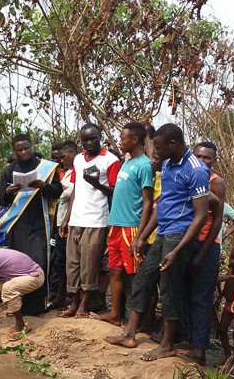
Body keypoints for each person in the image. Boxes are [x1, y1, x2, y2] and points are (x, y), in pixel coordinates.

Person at [105, 123, 210, 362]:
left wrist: (178, 250)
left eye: (159, 147)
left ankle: (167, 345)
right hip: (162, 232)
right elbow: (161, 204)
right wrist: (143, 236)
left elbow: (201, 215)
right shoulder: (168, 165)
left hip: (179, 235)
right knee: (143, 279)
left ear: (173, 144)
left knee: (170, 288)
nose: (156, 151)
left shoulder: (196, 170)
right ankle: (129, 334)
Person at [59, 124, 121, 318]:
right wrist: (66, 218)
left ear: (100, 137)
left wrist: (97, 184)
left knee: (89, 265)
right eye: (85, 140)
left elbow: (115, 190)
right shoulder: (78, 159)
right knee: (72, 264)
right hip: (76, 218)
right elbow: (75, 189)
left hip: (96, 219)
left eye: (93, 138)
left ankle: (84, 304)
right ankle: (73, 302)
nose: (89, 143)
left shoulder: (111, 160)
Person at [0, 134, 63, 315]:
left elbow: (57, 191)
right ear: (14, 151)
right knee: (17, 266)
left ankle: (37, 306)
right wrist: (9, 192)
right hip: (17, 225)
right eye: (19, 149)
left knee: (38, 263)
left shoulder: (45, 167)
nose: (24, 152)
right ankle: (19, 307)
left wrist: (43, 186)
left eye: (26, 148)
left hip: (39, 224)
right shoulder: (9, 170)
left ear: (31, 146)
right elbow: (1, 199)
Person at [96, 123, 154, 326]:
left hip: (131, 227)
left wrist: (140, 235)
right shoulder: (126, 163)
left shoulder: (145, 165)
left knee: (135, 276)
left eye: (123, 138)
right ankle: (115, 314)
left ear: (135, 140)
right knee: (115, 270)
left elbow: (148, 203)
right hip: (115, 225)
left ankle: (141, 322)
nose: (120, 141)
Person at [177, 141, 226, 364]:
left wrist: (202, 253)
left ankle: (199, 349)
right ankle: (188, 340)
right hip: (186, 242)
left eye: (207, 157)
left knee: (201, 298)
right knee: (184, 293)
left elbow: (217, 221)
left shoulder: (216, 183)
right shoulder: (188, 176)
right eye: (198, 156)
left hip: (206, 244)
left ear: (214, 160)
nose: (202, 160)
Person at [49, 141, 77, 309]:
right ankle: (60, 296)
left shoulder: (76, 171)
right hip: (59, 222)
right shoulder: (65, 173)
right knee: (60, 260)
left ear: (72, 154)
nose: (60, 161)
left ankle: (67, 296)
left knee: (67, 261)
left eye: (63, 157)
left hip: (69, 222)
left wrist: (58, 189)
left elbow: (66, 193)